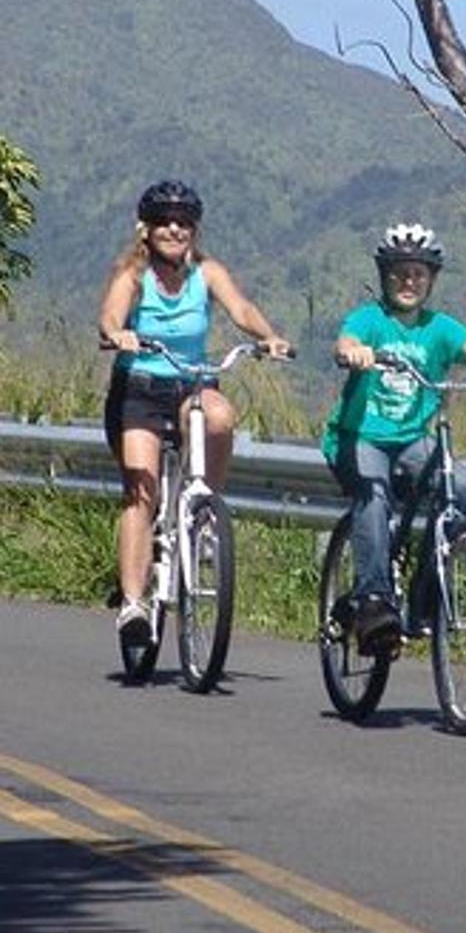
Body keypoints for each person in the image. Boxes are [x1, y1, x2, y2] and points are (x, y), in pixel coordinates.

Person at [323, 222, 466, 655]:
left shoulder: (439, 327)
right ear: (385, 276)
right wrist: (353, 352)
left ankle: (425, 598)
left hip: (411, 440)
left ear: (431, 280)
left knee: (463, 489)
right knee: (374, 496)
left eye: (419, 274)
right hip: (361, 437)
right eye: (400, 273)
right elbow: (346, 340)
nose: (409, 282)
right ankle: (373, 601)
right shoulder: (371, 319)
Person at [99, 179, 292, 649]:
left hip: (192, 382)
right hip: (140, 390)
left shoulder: (207, 273)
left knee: (220, 415)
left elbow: (241, 309)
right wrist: (118, 334)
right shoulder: (133, 275)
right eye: (164, 221)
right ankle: (133, 604)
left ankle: (204, 510)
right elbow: (110, 315)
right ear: (146, 229)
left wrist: (269, 337)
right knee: (141, 493)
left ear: (194, 230)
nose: (174, 229)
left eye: (183, 222)